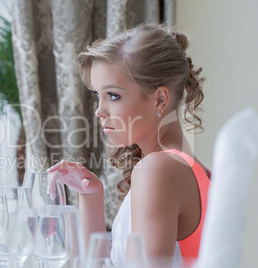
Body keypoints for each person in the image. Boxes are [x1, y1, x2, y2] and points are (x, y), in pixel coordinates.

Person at [47, 23, 211, 266]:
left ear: (160, 99)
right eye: (97, 96)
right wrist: (91, 196)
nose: (99, 111)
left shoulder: (158, 169)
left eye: (113, 96)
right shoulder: (192, 169)